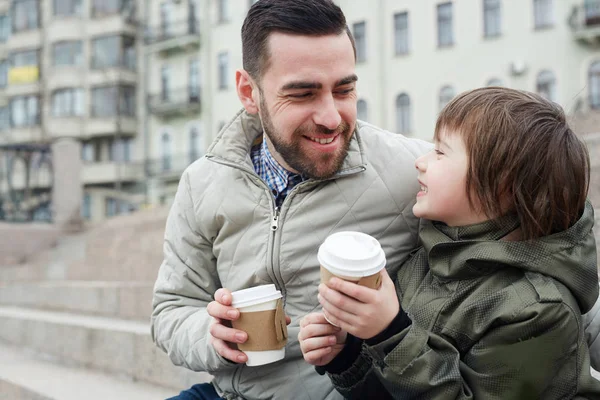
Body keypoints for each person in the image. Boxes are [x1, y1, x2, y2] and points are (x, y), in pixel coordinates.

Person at [150, 0, 432, 399]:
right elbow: (171, 310)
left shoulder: (413, 170)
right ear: (249, 92)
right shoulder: (201, 183)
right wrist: (211, 336)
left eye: (344, 89)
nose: (332, 117)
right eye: (303, 94)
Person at [299, 87, 600, 399]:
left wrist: (391, 333)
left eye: (440, 152)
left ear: (501, 184)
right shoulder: (431, 256)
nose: (421, 161)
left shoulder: (538, 310)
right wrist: (347, 354)